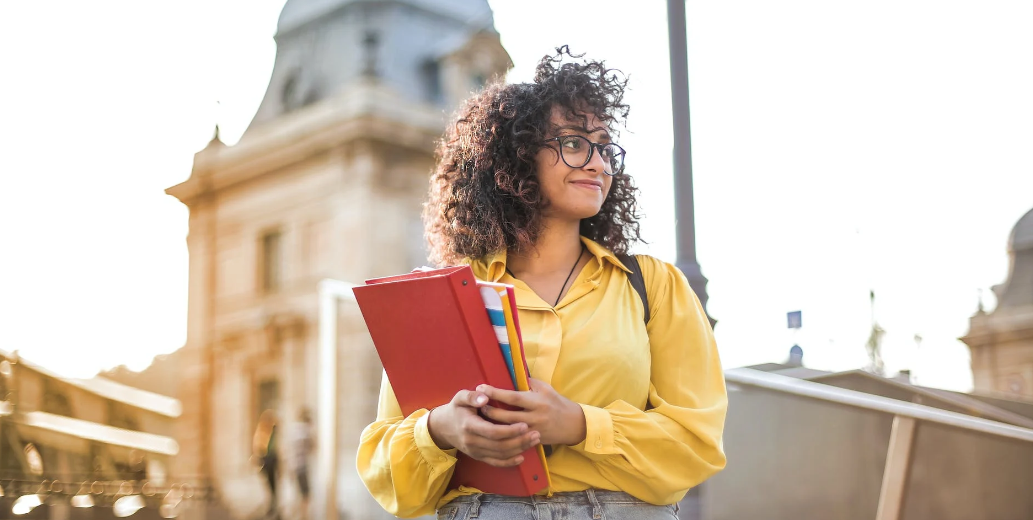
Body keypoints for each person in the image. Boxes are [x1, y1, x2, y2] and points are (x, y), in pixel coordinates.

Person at [357, 46, 727, 519]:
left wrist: (578, 424)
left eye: (605, 146)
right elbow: (385, 472)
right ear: (517, 157)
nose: (598, 163)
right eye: (574, 143)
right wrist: (441, 430)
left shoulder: (653, 286)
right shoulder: (446, 296)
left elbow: (697, 443)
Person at [289, 408, 315, 519]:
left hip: (294, 466)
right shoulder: (304, 431)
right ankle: (303, 517)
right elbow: (312, 446)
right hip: (301, 467)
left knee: (298, 494)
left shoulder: (294, 430)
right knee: (305, 495)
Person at [253, 409, 279, 517]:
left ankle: (272, 505)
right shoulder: (262, 432)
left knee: (273, 485)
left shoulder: (271, 432)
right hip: (266, 460)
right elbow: (259, 447)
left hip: (271, 460)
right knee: (269, 484)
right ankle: (269, 505)